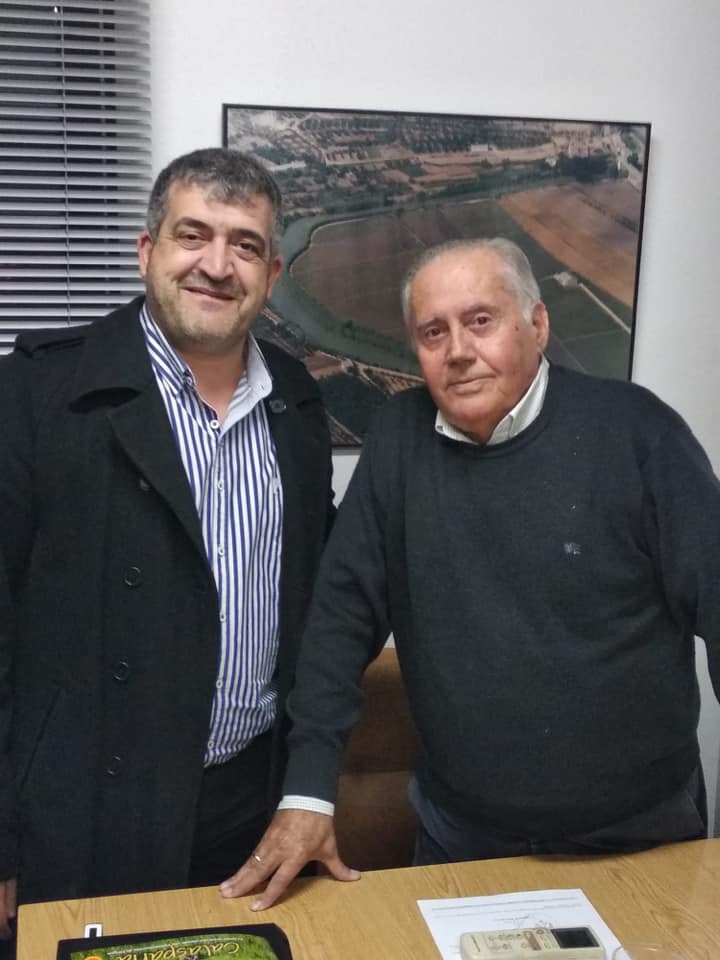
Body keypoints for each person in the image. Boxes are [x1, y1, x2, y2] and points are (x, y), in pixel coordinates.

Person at [219, 236, 720, 910]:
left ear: (537, 325)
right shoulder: (398, 439)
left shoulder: (639, 433)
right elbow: (341, 619)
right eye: (434, 332)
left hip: (643, 833)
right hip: (464, 838)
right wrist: (308, 791)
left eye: (481, 320)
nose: (457, 350)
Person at [0, 148, 334, 938]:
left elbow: (317, 603)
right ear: (147, 251)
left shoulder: (295, 401)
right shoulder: (36, 393)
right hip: (82, 816)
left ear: (271, 273)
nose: (216, 265)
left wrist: (306, 787)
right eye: (193, 235)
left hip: (249, 807)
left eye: (244, 245)